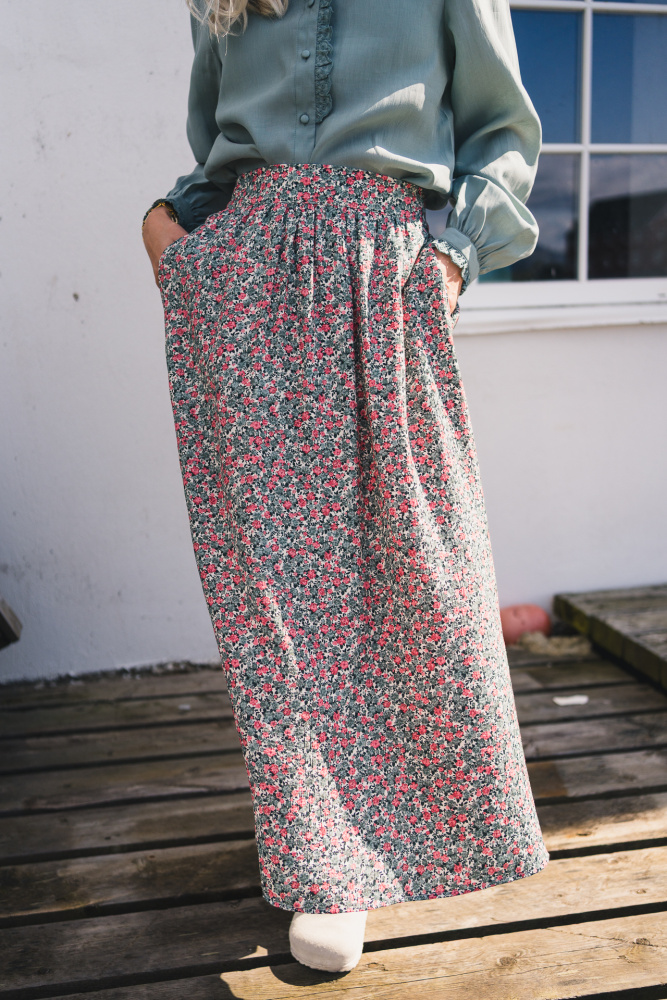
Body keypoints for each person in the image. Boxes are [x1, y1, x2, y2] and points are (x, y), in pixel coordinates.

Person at [142, 0, 549, 974]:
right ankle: (325, 868)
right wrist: (165, 236)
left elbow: (502, 128)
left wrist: (452, 260)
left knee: (424, 575)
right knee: (276, 602)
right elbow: (215, 158)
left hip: (382, 279)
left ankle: (410, 837)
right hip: (246, 286)